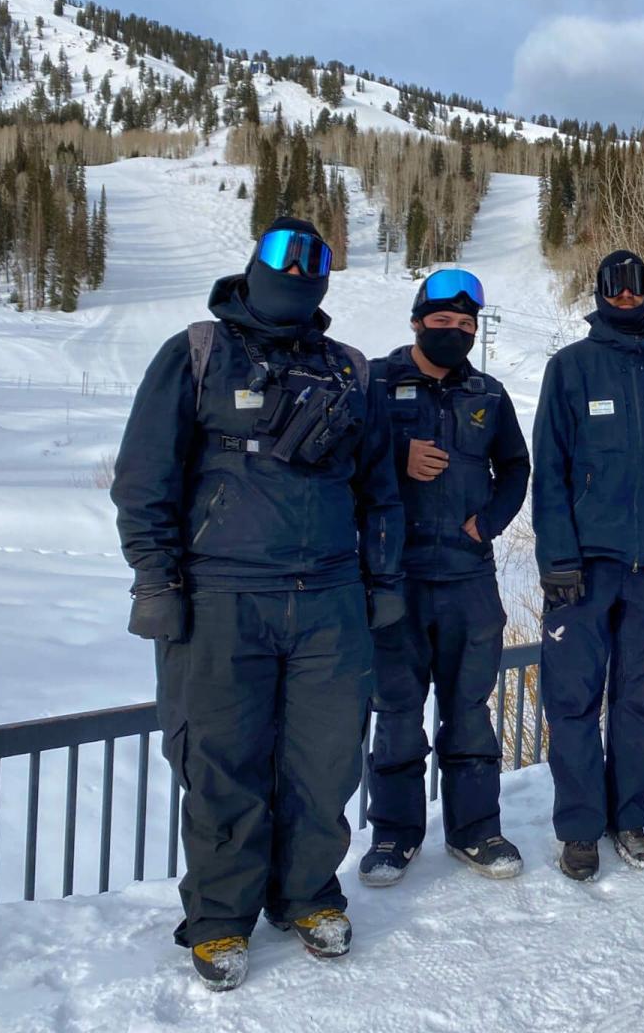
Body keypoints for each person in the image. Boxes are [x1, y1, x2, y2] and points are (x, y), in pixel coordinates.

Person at [111, 217, 404, 991]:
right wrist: (156, 580)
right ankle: (218, 918)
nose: (301, 273)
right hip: (222, 597)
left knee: (327, 759)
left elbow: (380, 493)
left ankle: (307, 895)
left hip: (331, 600)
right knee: (219, 762)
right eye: (286, 258)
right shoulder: (197, 353)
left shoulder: (350, 369)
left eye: (317, 264)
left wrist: (383, 583)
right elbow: (144, 479)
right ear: (254, 265)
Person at [531, 249, 644, 881]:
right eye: (615, 286)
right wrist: (557, 559)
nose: (626, 296)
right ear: (600, 292)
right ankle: (580, 828)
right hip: (583, 571)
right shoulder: (570, 368)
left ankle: (627, 820)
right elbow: (547, 469)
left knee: (636, 703)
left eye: (636, 286)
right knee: (573, 703)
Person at [361, 269, 531, 886]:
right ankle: (394, 836)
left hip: (467, 581)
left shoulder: (487, 393)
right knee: (398, 713)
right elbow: (341, 458)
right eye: (442, 322)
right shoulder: (373, 384)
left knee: (469, 711)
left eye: (466, 325)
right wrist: (395, 456)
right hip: (394, 577)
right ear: (416, 321)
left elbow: (516, 466)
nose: (454, 332)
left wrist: (488, 523)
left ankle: (476, 830)